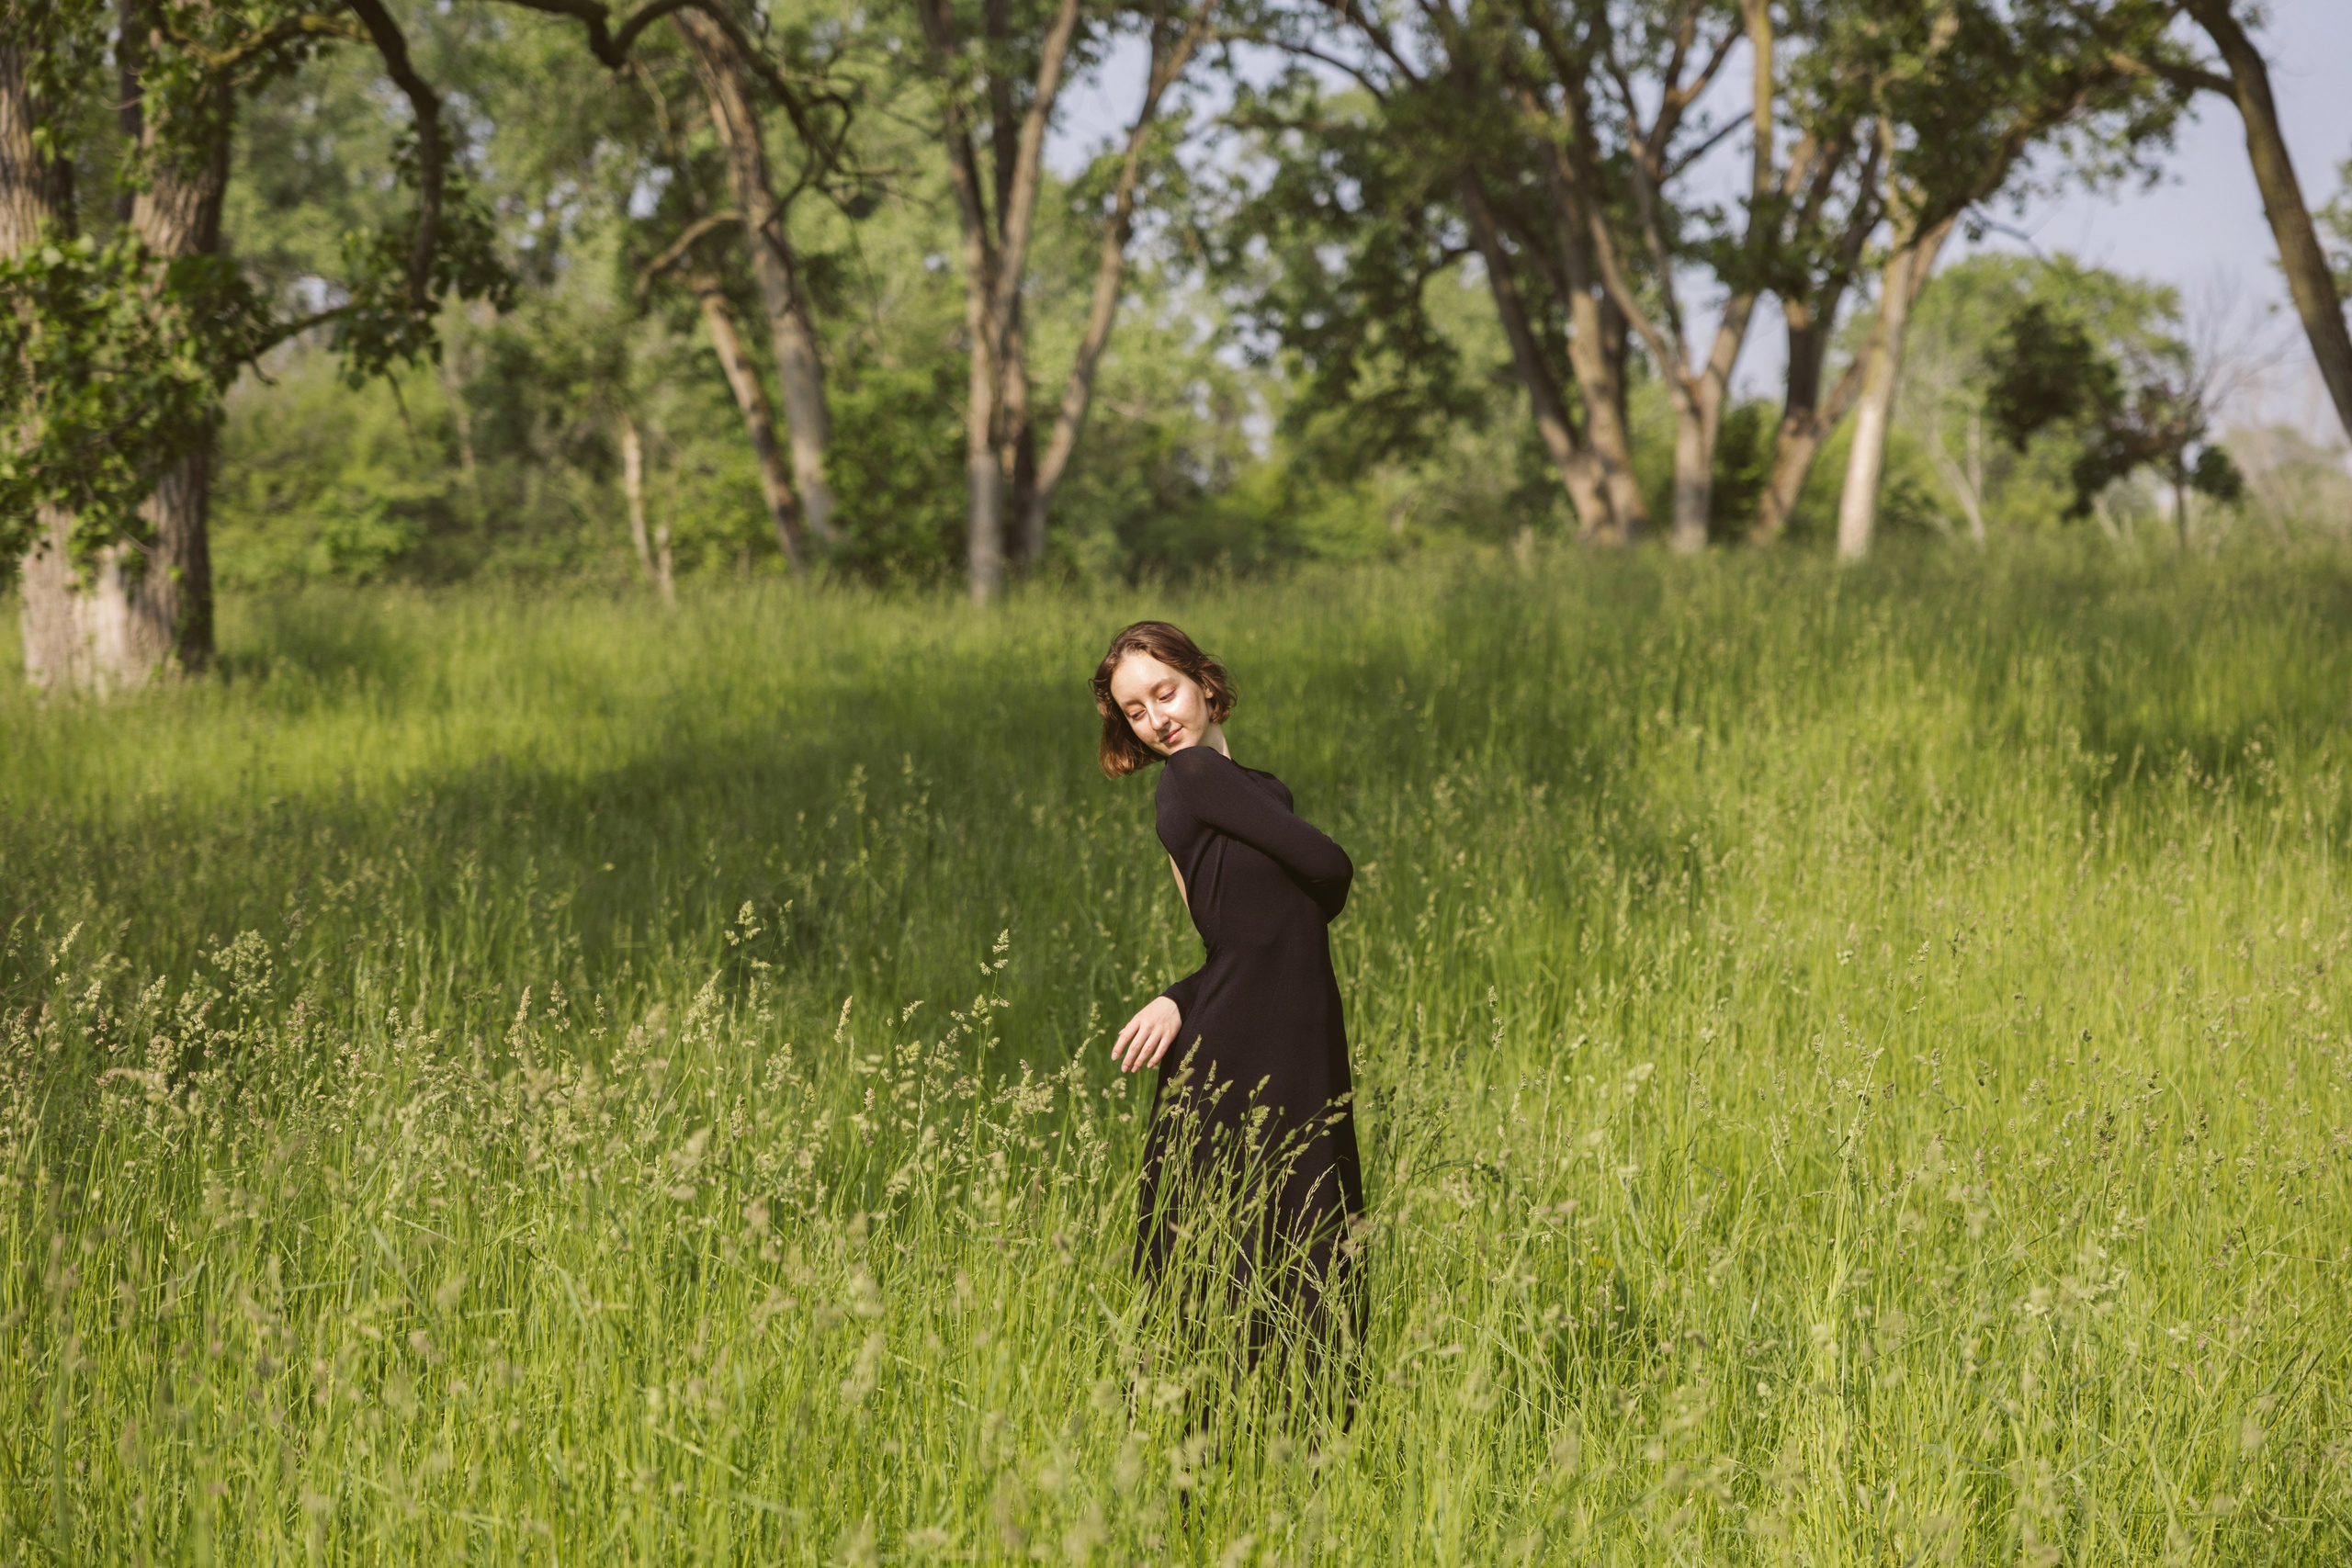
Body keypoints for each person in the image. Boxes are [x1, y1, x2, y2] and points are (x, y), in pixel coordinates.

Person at [1091, 620, 1365, 1375]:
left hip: (1284, 1030)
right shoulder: (1189, 781)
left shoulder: (1255, 790)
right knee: (1273, 1244)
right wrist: (1191, 995)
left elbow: (1249, 933)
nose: (1156, 720)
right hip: (1247, 1039)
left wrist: (1180, 995)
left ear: (1203, 681)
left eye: (1164, 693)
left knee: (1272, 1243)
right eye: (1135, 712)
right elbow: (1331, 869)